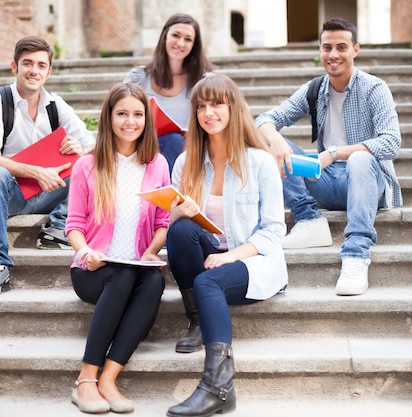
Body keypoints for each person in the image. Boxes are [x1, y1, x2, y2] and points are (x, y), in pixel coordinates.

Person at [165, 74, 288, 417]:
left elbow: (274, 230)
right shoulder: (185, 162)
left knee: (209, 280)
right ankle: (198, 320)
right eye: (201, 106)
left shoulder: (259, 161)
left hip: (252, 258)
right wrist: (176, 214)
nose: (208, 112)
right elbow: (172, 231)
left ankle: (218, 388)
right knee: (181, 229)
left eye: (217, 104)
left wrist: (231, 256)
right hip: (208, 254)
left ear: (233, 108)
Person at [255, 18, 402, 296]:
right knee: (263, 141)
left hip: (368, 182)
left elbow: (391, 142)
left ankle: (356, 254)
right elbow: (265, 119)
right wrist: (275, 140)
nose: (333, 54)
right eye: (327, 47)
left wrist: (334, 153)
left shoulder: (374, 88)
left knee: (359, 159)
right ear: (320, 51)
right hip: (326, 180)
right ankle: (309, 219)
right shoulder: (314, 89)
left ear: (355, 50)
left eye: (341, 47)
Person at [65, 82, 170, 414]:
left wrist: (152, 251)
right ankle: (85, 378)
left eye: (138, 114)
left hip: (137, 265)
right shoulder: (87, 164)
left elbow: (163, 221)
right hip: (93, 270)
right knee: (121, 277)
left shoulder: (157, 164)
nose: (130, 121)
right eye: (122, 113)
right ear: (108, 117)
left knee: (153, 281)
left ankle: (109, 378)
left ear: (146, 120)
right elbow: (74, 225)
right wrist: (86, 254)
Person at [0, 36, 95, 297]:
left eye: (41, 65)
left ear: (49, 71)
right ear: (14, 66)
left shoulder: (55, 105)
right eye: (27, 63)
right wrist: (37, 172)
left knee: (91, 161)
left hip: (51, 192)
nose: (34, 70)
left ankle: (57, 227)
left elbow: (93, 142)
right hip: (12, 196)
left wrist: (81, 149)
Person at [124, 13, 212, 175]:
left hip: (188, 148)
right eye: (176, 35)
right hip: (143, 144)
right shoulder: (140, 77)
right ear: (165, 37)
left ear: (194, 45)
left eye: (188, 39)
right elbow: (117, 111)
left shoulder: (203, 81)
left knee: (176, 140)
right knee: (173, 140)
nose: (180, 43)